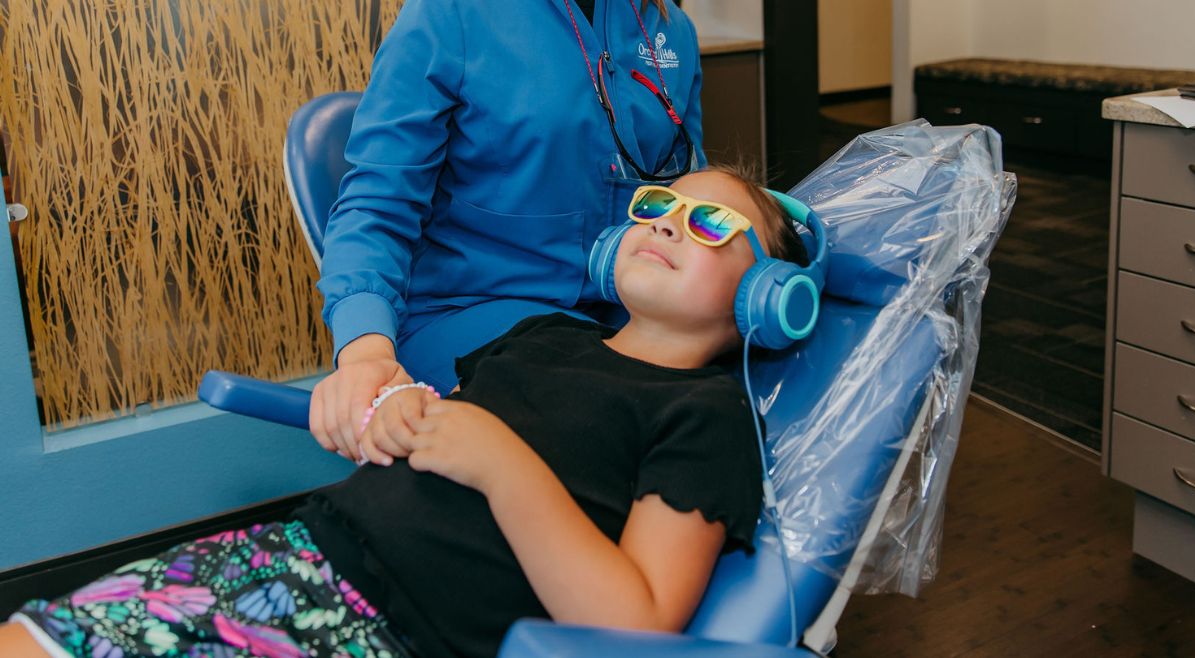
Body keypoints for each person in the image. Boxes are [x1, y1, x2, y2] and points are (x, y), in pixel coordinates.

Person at [0, 168, 815, 658]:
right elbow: (438, 433)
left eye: (711, 223)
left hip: (393, 631)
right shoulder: (542, 337)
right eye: (655, 206)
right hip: (295, 550)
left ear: (764, 293)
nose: (669, 222)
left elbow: (635, 626)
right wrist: (395, 418)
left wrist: (501, 465)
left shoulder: (707, 418)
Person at [312, 0, 709, 466]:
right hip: (471, 306)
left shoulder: (670, 29)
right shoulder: (451, 15)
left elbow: (690, 194)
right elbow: (377, 205)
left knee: (722, 404)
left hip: (630, 313)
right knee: (626, 422)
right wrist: (366, 356)